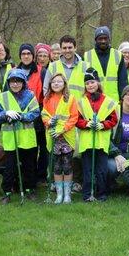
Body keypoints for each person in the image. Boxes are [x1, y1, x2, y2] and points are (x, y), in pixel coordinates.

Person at [0, 69, 40, 204]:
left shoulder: (30, 95)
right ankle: (7, 192)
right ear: (9, 83)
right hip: (10, 138)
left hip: (27, 138)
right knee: (9, 166)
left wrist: (20, 116)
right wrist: (6, 114)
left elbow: (35, 113)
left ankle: (29, 190)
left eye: (18, 81)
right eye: (12, 82)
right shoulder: (3, 97)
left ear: (23, 82)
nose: (15, 84)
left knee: (29, 166)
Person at [75, 68, 118, 202]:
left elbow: (113, 119)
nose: (90, 85)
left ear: (98, 83)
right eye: (87, 83)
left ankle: (101, 193)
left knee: (101, 170)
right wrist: (86, 124)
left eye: (92, 82)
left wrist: (103, 125)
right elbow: (77, 119)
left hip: (101, 141)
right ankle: (87, 194)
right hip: (87, 141)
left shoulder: (108, 101)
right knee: (87, 169)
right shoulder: (81, 101)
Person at [42, 73, 78, 204]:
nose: (56, 84)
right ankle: (59, 194)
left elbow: (74, 117)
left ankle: (67, 195)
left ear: (64, 84)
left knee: (67, 165)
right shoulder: (47, 98)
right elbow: (44, 115)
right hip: (53, 136)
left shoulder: (70, 98)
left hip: (66, 136)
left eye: (59, 82)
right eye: (53, 82)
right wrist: (48, 122)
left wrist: (62, 129)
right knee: (56, 167)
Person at [18, 43, 48, 184]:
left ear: (33, 56)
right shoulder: (14, 71)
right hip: (19, 113)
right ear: (20, 56)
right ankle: (27, 174)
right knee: (27, 147)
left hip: (39, 112)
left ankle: (41, 175)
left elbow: (47, 94)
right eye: (23, 54)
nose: (26, 56)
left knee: (42, 145)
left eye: (28, 54)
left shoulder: (41, 71)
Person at [84, 26, 128, 101]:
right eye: (100, 39)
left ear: (109, 39)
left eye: (105, 38)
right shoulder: (87, 56)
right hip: (94, 101)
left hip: (114, 101)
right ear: (95, 40)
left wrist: (123, 98)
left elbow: (123, 80)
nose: (103, 41)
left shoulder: (118, 55)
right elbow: (84, 82)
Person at [43, 35, 88, 101]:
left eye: (70, 47)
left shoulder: (86, 66)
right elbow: (46, 89)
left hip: (80, 109)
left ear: (75, 48)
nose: (67, 50)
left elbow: (90, 89)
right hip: (58, 109)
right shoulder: (53, 66)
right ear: (60, 49)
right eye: (64, 48)